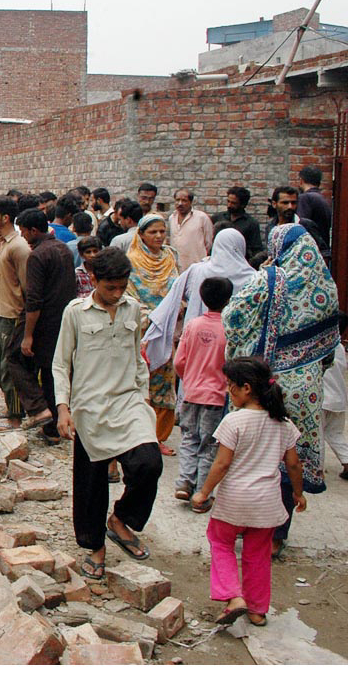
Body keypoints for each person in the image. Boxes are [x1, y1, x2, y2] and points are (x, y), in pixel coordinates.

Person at [223, 223, 340, 558]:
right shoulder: (325, 284)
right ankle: (276, 536)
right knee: (291, 456)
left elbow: (233, 318)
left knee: (255, 455)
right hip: (306, 388)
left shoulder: (269, 279)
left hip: (265, 381)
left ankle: (248, 525)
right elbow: (330, 342)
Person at [54, 247, 163, 579]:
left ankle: (120, 519)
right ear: (95, 280)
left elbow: (137, 357)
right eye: (110, 288)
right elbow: (61, 364)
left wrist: (143, 398)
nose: (117, 294)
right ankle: (95, 545)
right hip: (89, 408)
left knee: (149, 463)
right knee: (91, 482)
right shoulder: (75, 312)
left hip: (128, 402)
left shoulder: (133, 310)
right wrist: (63, 409)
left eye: (122, 287)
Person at [193, 356, 305, 627]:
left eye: (230, 385)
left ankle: (233, 596)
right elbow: (293, 464)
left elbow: (222, 463)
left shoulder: (234, 422)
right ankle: (257, 610)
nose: (228, 390)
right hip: (267, 502)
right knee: (258, 554)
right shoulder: (283, 422)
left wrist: (204, 491)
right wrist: (298, 494)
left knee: (221, 543)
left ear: (245, 388)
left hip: (234, 499)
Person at [143, 229, 257, 376]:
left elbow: (171, 302)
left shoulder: (197, 271)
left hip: (199, 347)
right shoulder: (254, 278)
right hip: (239, 350)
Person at [9, 208, 76, 439]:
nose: (23, 237)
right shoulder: (63, 249)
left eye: (24, 232)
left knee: (14, 357)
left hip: (42, 323)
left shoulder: (38, 256)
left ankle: (38, 409)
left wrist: (28, 335)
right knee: (50, 372)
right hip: (62, 321)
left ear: (33, 230)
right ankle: (52, 427)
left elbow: (34, 300)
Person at [173, 276, 232, 509]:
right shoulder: (228, 328)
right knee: (209, 443)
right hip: (216, 396)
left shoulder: (194, 324)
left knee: (188, 436)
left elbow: (180, 360)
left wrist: (188, 378)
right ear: (228, 300)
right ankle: (201, 494)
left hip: (191, 392)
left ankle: (184, 483)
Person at [126, 214, 181, 453]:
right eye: (153, 232)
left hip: (166, 328)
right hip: (143, 329)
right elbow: (129, 295)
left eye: (162, 232)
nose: (159, 237)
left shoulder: (170, 257)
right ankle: (138, 435)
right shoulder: (133, 260)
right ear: (141, 235)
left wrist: (172, 313)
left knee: (165, 379)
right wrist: (151, 319)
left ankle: (159, 436)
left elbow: (177, 288)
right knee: (140, 381)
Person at [0, 196, 30, 425]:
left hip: (12, 313)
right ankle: (10, 407)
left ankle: (16, 414)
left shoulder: (18, 246)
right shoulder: (1, 243)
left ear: (5, 218)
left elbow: (26, 285)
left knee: (9, 365)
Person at [321, 314, 348, 482]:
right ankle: (347, 462)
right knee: (335, 433)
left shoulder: (322, 346)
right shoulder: (340, 349)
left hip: (323, 399)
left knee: (317, 436)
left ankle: (316, 470)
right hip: (339, 399)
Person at [167, 188, 214, 272]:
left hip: (197, 268)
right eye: (177, 200)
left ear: (191, 202)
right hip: (176, 268)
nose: (180, 203)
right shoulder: (172, 218)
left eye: (184, 200)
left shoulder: (202, 218)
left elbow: (209, 243)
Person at [212, 186, 263, 258]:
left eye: (233, 203)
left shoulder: (251, 223)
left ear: (243, 205)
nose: (229, 205)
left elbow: (256, 249)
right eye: (228, 201)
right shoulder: (218, 218)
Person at [296, 165, 332, 259]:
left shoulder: (305, 198)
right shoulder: (322, 198)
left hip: (310, 253)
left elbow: (301, 226)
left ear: (301, 180)